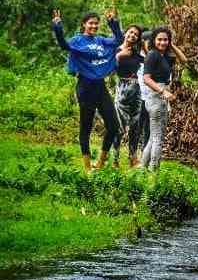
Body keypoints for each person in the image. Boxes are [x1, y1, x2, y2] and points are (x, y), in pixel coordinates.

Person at [52, 9, 123, 171]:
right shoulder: (78, 41)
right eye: (91, 23)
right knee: (86, 127)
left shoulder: (101, 41)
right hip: (85, 87)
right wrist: (57, 26)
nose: (94, 26)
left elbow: (119, 39)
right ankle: (87, 168)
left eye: (96, 23)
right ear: (84, 24)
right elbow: (64, 45)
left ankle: (99, 163)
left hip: (100, 87)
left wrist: (113, 23)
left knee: (113, 126)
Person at [140, 27, 179, 171]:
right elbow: (146, 79)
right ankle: (153, 172)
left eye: (165, 40)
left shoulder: (165, 56)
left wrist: (171, 44)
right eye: (160, 39)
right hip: (156, 97)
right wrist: (164, 91)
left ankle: (142, 169)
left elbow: (184, 59)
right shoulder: (152, 55)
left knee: (153, 137)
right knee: (158, 138)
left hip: (161, 97)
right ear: (153, 40)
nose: (163, 42)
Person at [112, 24, 144, 168]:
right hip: (122, 88)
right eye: (131, 32)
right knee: (119, 125)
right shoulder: (116, 50)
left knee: (135, 126)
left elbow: (149, 62)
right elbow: (109, 68)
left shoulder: (137, 52)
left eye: (136, 34)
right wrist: (119, 56)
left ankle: (133, 157)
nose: (132, 35)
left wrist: (144, 46)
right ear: (125, 33)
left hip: (136, 89)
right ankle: (115, 159)